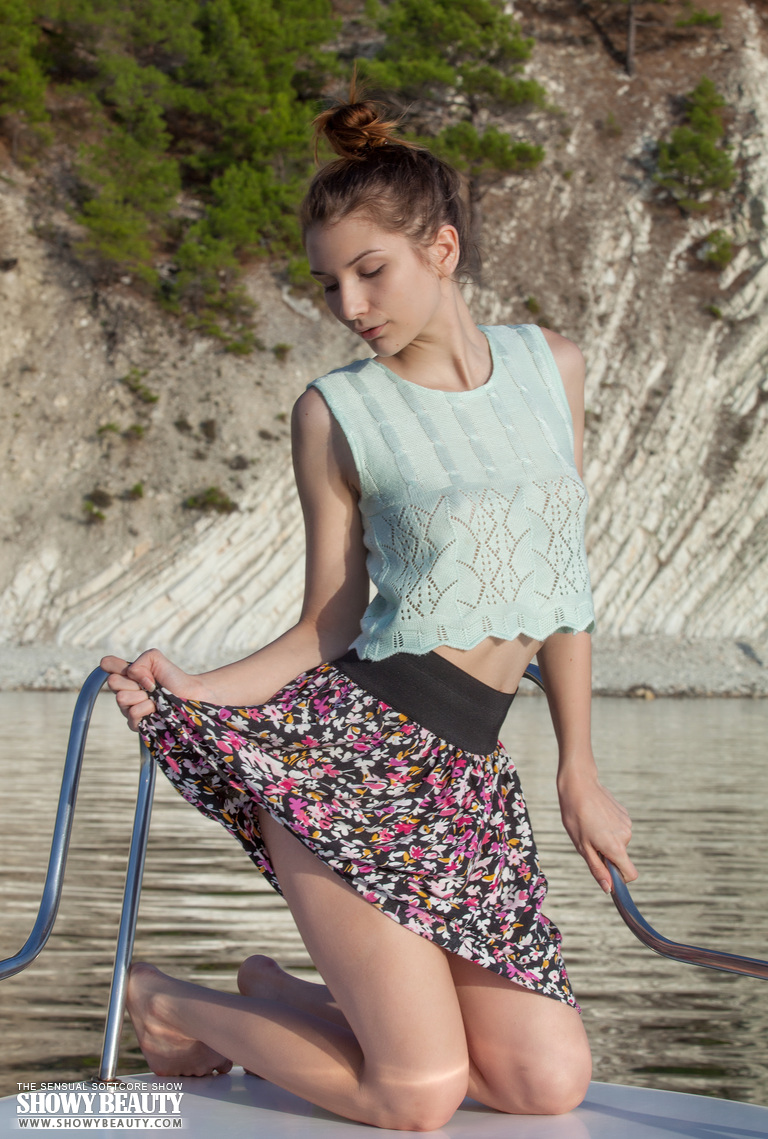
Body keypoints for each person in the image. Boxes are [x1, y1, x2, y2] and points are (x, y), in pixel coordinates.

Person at [102, 92, 636, 1132]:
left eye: (370, 270)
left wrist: (579, 767)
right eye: (329, 282)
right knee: (417, 1094)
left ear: (442, 248)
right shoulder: (335, 410)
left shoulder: (553, 366)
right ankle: (162, 1002)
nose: (349, 303)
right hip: (346, 761)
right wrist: (194, 692)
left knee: (543, 1081)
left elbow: (562, 583)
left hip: (469, 778)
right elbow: (331, 620)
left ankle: (275, 994)